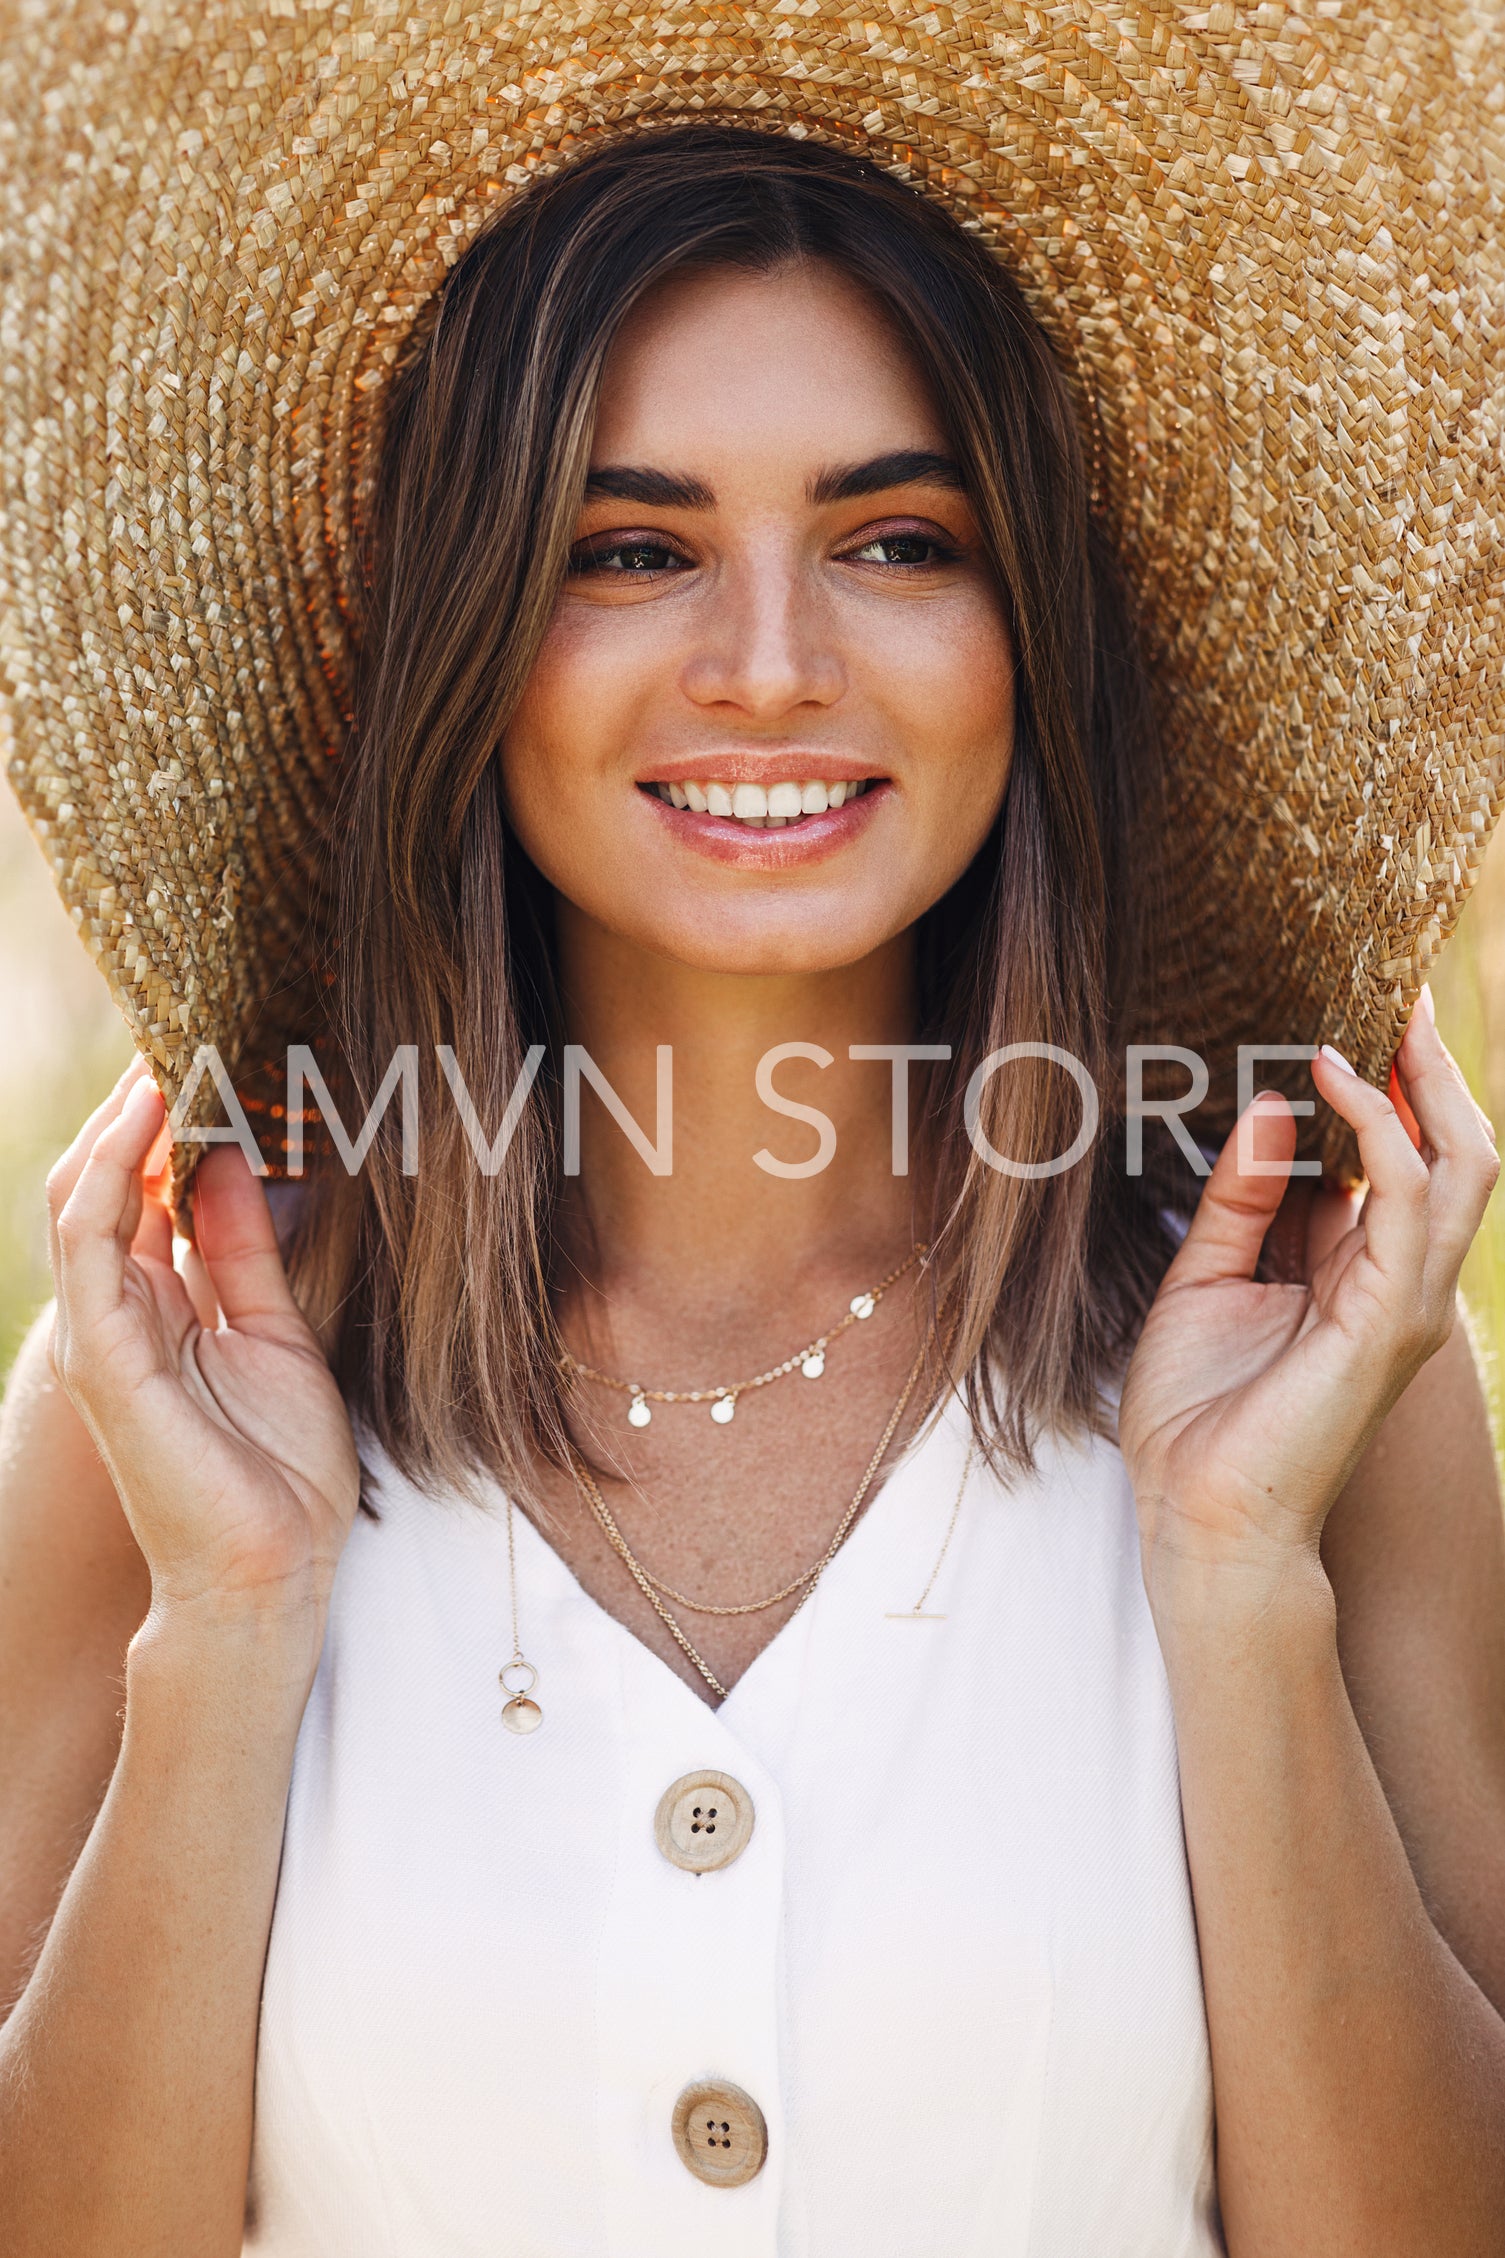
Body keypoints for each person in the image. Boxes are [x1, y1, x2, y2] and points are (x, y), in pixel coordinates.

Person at [0, 29, 1503, 2258]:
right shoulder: (177, 1388)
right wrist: (229, 1621)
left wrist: (1234, 1582)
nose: (774, 665)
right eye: (631, 548)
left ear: (1030, 636)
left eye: (899, 537)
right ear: (466, 643)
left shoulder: (1304, 1379)